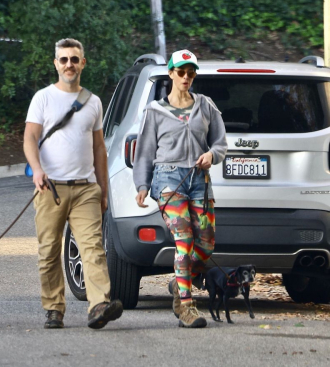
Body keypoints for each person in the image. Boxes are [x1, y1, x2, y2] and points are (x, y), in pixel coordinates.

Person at [23, 38, 123, 329]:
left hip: (85, 188)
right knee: (49, 250)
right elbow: (30, 138)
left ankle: (98, 306)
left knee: (92, 246)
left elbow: (99, 149)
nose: (69, 64)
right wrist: (38, 170)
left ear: (83, 63)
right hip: (50, 187)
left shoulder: (93, 102)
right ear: (56, 63)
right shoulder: (42, 98)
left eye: (74, 59)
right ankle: (54, 308)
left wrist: (103, 190)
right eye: (64, 59)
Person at [133, 49, 227, 328]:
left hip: (199, 178)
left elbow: (220, 143)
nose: (186, 77)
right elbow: (145, 152)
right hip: (168, 180)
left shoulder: (206, 105)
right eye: (181, 71)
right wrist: (142, 184)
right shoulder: (155, 111)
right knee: (184, 242)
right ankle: (187, 306)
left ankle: (179, 280)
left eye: (190, 72)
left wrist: (212, 155)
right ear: (171, 73)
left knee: (205, 245)